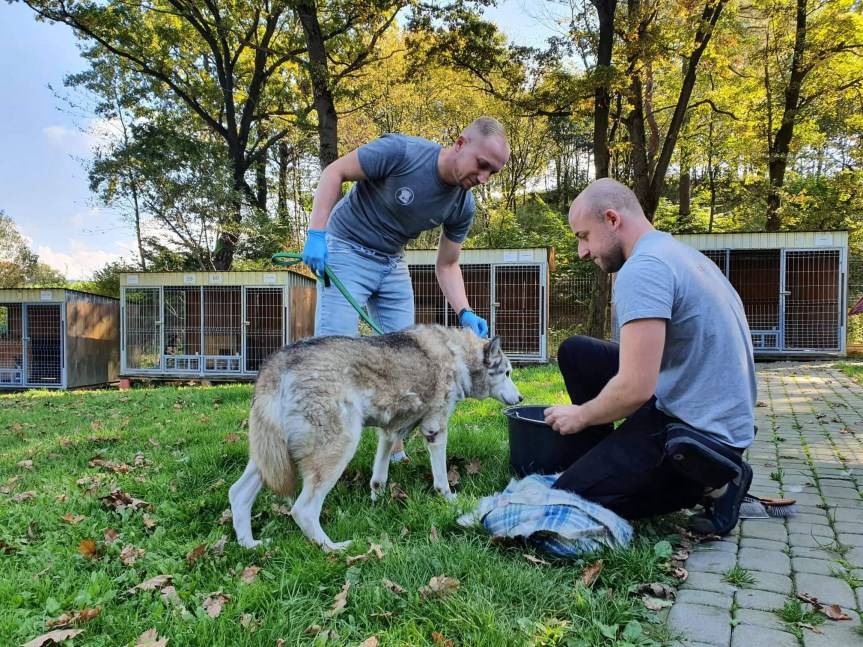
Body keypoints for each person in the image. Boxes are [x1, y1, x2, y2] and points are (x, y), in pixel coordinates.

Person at [543, 178, 757, 535]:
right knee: (577, 352)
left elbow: (634, 388)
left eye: (583, 236)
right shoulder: (680, 254)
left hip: (700, 437)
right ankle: (599, 458)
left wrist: (580, 416)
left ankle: (715, 482)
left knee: (572, 497)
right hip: (696, 401)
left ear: (612, 219)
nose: (582, 251)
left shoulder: (644, 269)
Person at [302, 117, 510, 462]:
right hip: (346, 248)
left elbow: (447, 264)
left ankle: (393, 449)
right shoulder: (402, 152)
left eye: (493, 173)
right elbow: (334, 172)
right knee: (334, 352)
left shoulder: (463, 205)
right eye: (482, 164)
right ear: (460, 143)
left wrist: (465, 311)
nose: (484, 177)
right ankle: (320, 448)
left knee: (406, 358)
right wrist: (316, 233)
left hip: (392, 261)